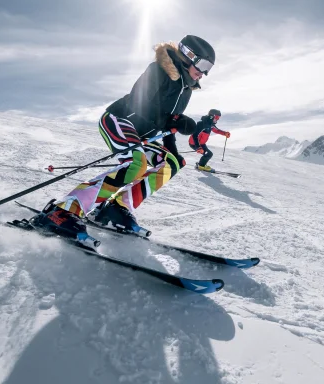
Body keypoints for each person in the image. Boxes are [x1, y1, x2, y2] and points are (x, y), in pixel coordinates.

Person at [30, 35, 216, 245]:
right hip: (119, 120)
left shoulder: (185, 89)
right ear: (187, 55)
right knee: (137, 163)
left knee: (172, 163)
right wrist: (174, 120)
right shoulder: (158, 71)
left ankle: (116, 209)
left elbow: (167, 126)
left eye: (209, 67)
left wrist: (172, 139)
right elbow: (140, 102)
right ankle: (63, 211)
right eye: (203, 64)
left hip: (141, 134)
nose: (204, 72)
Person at [189, 109, 230, 173]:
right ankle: (201, 166)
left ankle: (201, 165)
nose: (217, 119)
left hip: (201, 143)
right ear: (212, 116)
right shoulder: (202, 124)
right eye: (217, 117)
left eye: (218, 118)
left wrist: (224, 133)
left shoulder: (210, 124)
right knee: (208, 154)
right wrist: (198, 147)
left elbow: (216, 130)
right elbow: (195, 135)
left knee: (209, 154)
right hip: (194, 143)